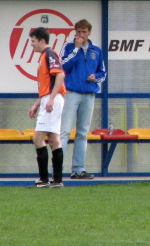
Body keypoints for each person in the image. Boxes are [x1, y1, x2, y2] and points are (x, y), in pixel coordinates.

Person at [59, 19, 107, 179]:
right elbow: (62, 67)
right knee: (64, 131)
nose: (80, 35)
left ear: (89, 32)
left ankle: (78, 169)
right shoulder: (68, 47)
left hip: (89, 94)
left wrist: (95, 77)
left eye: (84, 32)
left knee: (82, 133)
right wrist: (76, 50)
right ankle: (57, 169)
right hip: (71, 93)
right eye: (78, 32)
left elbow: (103, 73)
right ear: (74, 32)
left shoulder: (96, 50)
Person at [28, 27, 67, 188]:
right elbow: (47, 84)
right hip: (49, 99)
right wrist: (38, 103)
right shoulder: (44, 56)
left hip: (53, 99)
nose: (31, 45)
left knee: (38, 138)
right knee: (53, 140)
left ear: (42, 41)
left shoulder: (49, 54)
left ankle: (44, 179)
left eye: (33, 41)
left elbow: (60, 75)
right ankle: (57, 180)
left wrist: (50, 99)